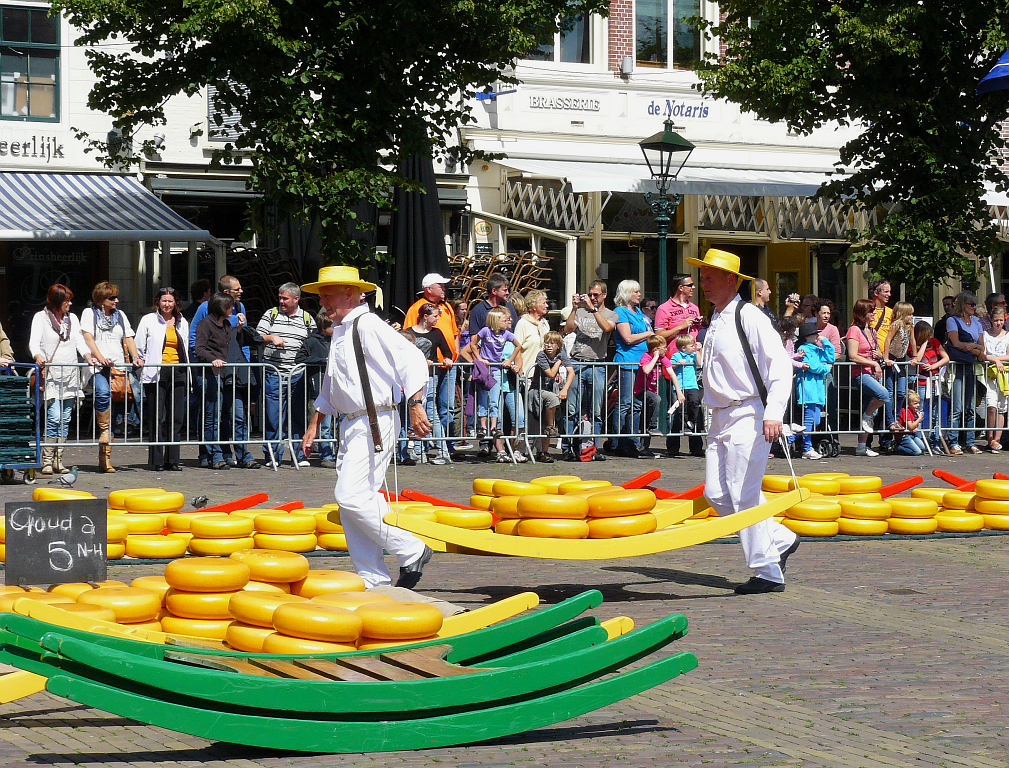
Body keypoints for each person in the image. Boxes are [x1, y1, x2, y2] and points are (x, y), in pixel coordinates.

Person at [301, 265, 433, 590]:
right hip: (353, 423)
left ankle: (411, 548)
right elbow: (333, 386)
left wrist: (416, 403)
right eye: (321, 296)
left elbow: (412, 358)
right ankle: (374, 580)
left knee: (349, 495)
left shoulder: (367, 324)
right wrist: (314, 423)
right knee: (355, 503)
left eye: (328, 295)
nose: (323, 302)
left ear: (349, 293)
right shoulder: (342, 331)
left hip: (375, 420)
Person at [688, 248, 798, 595]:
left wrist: (773, 411)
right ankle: (780, 538)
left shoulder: (749, 315)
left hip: (748, 413)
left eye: (709, 277)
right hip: (720, 414)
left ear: (731, 281)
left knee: (742, 492)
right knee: (717, 493)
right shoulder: (718, 317)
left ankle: (768, 573)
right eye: (702, 276)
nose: (703, 283)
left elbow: (779, 365)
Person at [29, 285, 94, 475]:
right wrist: (38, 355)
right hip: (51, 375)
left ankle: (58, 461)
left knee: (65, 419)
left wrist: (88, 356)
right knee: (54, 417)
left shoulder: (72, 318)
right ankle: (47, 460)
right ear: (56, 302)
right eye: (66, 301)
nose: (70, 304)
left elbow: (80, 342)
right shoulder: (40, 318)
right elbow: (34, 342)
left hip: (70, 374)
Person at [190, 275, 252, 467]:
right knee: (212, 415)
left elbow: (239, 342)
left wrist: (241, 331)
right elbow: (197, 345)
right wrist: (211, 360)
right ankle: (212, 455)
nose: (240, 292)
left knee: (236, 414)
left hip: (232, 372)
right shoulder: (205, 318)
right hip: (212, 373)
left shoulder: (230, 320)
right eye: (237, 289)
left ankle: (241, 455)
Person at [80, 281, 143, 473]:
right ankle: (104, 432)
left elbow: (128, 338)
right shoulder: (89, 314)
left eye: (116, 297)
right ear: (101, 300)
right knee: (103, 392)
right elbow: (87, 337)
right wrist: (100, 358)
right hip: (97, 367)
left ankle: (105, 458)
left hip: (118, 368)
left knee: (115, 406)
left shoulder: (120, 315)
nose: (116, 301)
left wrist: (136, 357)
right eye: (111, 298)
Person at [256, 282, 317, 467]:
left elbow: (315, 342)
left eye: (285, 298)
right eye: (280, 298)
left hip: (297, 374)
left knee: (298, 415)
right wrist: (271, 338)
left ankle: (299, 454)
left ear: (296, 299)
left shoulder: (307, 319)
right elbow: (257, 337)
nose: (281, 301)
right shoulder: (271, 315)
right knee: (273, 416)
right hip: (273, 374)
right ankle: (273, 455)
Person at [134, 287, 190, 471]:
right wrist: (140, 361)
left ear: (176, 303)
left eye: (170, 301)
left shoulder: (182, 322)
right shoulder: (148, 320)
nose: (167, 304)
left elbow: (185, 347)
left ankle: (172, 460)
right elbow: (139, 345)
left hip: (178, 370)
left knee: (176, 417)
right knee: (156, 417)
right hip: (156, 371)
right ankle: (156, 460)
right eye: (164, 301)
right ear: (158, 302)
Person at [403, 273, 459, 455]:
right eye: (440, 285)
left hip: (448, 365)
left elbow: (454, 333)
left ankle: (447, 446)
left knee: (447, 407)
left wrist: (454, 356)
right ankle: (423, 447)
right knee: (428, 408)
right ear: (428, 288)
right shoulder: (416, 309)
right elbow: (408, 338)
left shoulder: (447, 307)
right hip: (426, 370)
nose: (444, 288)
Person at [562, 281, 616, 462]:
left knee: (596, 411)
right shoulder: (581, 311)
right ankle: (568, 448)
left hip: (597, 364)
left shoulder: (611, 314)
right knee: (572, 408)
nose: (592, 298)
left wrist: (593, 310)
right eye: (590, 294)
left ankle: (593, 448)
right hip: (577, 363)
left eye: (596, 295)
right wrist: (574, 308)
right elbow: (568, 329)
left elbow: (607, 328)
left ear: (604, 295)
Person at [613, 279, 654, 458]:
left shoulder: (637, 312)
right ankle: (619, 441)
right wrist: (649, 334)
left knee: (637, 404)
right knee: (625, 402)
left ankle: (633, 440)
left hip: (641, 362)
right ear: (627, 293)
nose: (639, 294)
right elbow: (627, 338)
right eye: (636, 291)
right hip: (627, 361)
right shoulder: (620, 312)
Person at [410, 303, 454, 464]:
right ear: (425, 316)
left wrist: (447, 359)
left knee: (430, 411)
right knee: (415, 412)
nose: (437, 319)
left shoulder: (437, 333)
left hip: (430, 377)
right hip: (413, 378)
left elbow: (447, 352)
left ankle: (443, 451)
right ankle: (418, 450)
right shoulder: (410, 332)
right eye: (435, 316)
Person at [845, 298, 890, 458]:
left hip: (872, 372)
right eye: (871, 311)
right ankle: (866, 417)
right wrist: (873, 362)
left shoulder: (872, 331)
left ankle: (862, 446)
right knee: (884, 395)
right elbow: (853, 355)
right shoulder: (854, 330)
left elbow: (876, 351)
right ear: (862, 313)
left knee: (871, 411)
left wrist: (878, 356)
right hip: (860, 373)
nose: (874, 313)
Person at [943, 290, 985, 455]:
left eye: (975, 304)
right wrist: (975, 348)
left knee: (970, 406)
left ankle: (970, 441)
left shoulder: (977, 322)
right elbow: (956, 343)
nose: (974, 307)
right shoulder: (952, 321)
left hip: (971, 366)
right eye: (971, 304)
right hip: (958, 366)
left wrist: (972, 347)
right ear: (963, 305)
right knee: (957, 406)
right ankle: (953, 441)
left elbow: (982, 346)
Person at [295, 309, 336, 467]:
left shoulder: (337, 340)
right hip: (319, 387)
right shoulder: (312, 341)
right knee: (324, 424)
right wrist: (322, 361)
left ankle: (335, 453)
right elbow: (300, 358)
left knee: (336, 423)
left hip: (336, 388)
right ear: (324, 326)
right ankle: (326, 455)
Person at [530, 331, 574, 463]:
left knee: (554, 400)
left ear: (558, 346)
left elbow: (571, 372)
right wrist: (558, 362)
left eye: (552, 343)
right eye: (547, 342)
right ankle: (551, 426)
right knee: (553, 399)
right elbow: (550, 373)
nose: (549, 345)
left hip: (550, 389)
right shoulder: (541, 355)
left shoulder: (561, 354)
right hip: (537, 390)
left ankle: (544, 451)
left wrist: (565, 389)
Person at [794, 320, 835, 460]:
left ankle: (791, 438)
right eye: (814, 335)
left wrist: (826, 343)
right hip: (808, 389)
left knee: (816, 421)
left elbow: (831, 357)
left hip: (817, 390)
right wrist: (826, 369)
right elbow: (812, 366)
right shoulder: (803, 349)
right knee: (810, 420)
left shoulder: (817, 349)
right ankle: (806, 447)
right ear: (807, 337)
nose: (817, 336)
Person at [637, 335, 683, 451]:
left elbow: (672, 374)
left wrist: (679, 392)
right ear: (656, 349)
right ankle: (653, 427)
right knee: (656, 399)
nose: (666, 350)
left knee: (647, 417)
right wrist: (655, 357)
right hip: (641, 390)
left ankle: (644, 448)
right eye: (664, 348)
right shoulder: (646, 357)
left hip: (652, 391)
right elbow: (646, 370)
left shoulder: (663, 359)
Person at [911, 320, 949, 454]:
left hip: (934, 381)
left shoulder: (936, 343)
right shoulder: (914, 345)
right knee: (919, 410)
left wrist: (934, 366)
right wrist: (923, 345)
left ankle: (934, 441)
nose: (929, 337)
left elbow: (945, 358)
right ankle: (919, 439)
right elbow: (917, 360)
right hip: (921, 382)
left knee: (935, 412)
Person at [668, 333, 704, 457]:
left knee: (695, 404)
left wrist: (699, 350)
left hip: (692, 386)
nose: (693, 347)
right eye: (691, 345)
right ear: (683, 348)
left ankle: (691, 425)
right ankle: (673, 446)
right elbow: (670, 366)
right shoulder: (676, 355)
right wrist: (678, 363)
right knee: (679, 413)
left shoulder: (694, 354)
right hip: (680, 386)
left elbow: (700, 363)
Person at [983, 306, 1009, 453]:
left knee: (1002, 407)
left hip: (1004, 374)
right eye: (996, 320)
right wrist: (995, 360)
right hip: (990, 374)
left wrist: (997, 359)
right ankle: (990, 438)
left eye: (1001, 320)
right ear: (991, 320)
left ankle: (996, 440)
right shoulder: (986, 335)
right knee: (991, 406)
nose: (999, 323)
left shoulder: (1007, 335)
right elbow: (984, 354)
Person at [654, 273, 701, 343]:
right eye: (690, 285)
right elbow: (659, 335)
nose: (693, 287)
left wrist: (701, 325)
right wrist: (681, 327)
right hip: (675, 352)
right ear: (681, 288)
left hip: (693, 352)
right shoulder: (664, 308)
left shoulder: (694, 308)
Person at [893, 391, 927, 455]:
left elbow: (911, 425)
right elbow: (910, 426)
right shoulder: (905, 411)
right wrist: (919, 419)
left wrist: (914, 428)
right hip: (903, 436)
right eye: (915, 403)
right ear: (908, 404)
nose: (918, 405)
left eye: (918, 403)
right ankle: (897, 447)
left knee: (922, 448)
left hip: (910, 434)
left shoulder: (913, 411)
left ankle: (904, 446)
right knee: (917, 452)